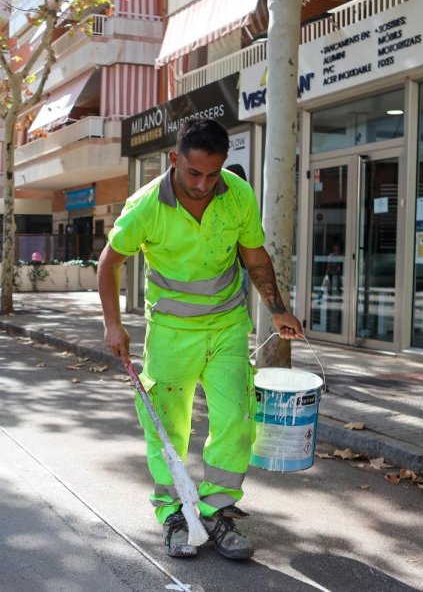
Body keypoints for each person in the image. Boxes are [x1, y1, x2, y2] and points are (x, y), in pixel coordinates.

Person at [97, 119, 304, 561]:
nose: (203, 184)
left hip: (227, 327)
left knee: (235, 419)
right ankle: (174, 513)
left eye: (213, 174)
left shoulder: (237, 195)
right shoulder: (146, 205)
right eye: (194, 173)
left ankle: (215, 510)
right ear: (175, 159)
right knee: (167, 427)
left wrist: (277, 309)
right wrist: (113, 325)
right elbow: (109, 263)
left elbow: (254, 256)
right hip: (172, 333)